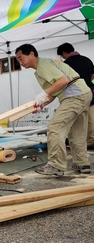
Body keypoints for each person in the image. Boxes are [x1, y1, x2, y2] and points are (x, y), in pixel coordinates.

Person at [15, 44, 92, 176]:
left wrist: (43, 94)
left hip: (75, 95)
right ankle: (82, 164)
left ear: (32, 54)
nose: (20, 62)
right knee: (77, 132)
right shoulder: (43, 67)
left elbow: (63, 80)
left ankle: (56, 165)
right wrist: (42, 103)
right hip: (83, 93)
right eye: (18, 60)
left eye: (21, 58)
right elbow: (55, 90)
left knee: (54, 128)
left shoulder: (43, 65)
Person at [57, 43, 94, 150]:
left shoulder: (66, 64)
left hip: (74, 95)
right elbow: (92, 75)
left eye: (62, 55)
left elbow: (64, 80)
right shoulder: (87, 60)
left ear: (64, 53)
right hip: (90, 92)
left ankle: (74, 141)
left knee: (73, 119)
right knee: (91, 118)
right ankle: (91, 141)